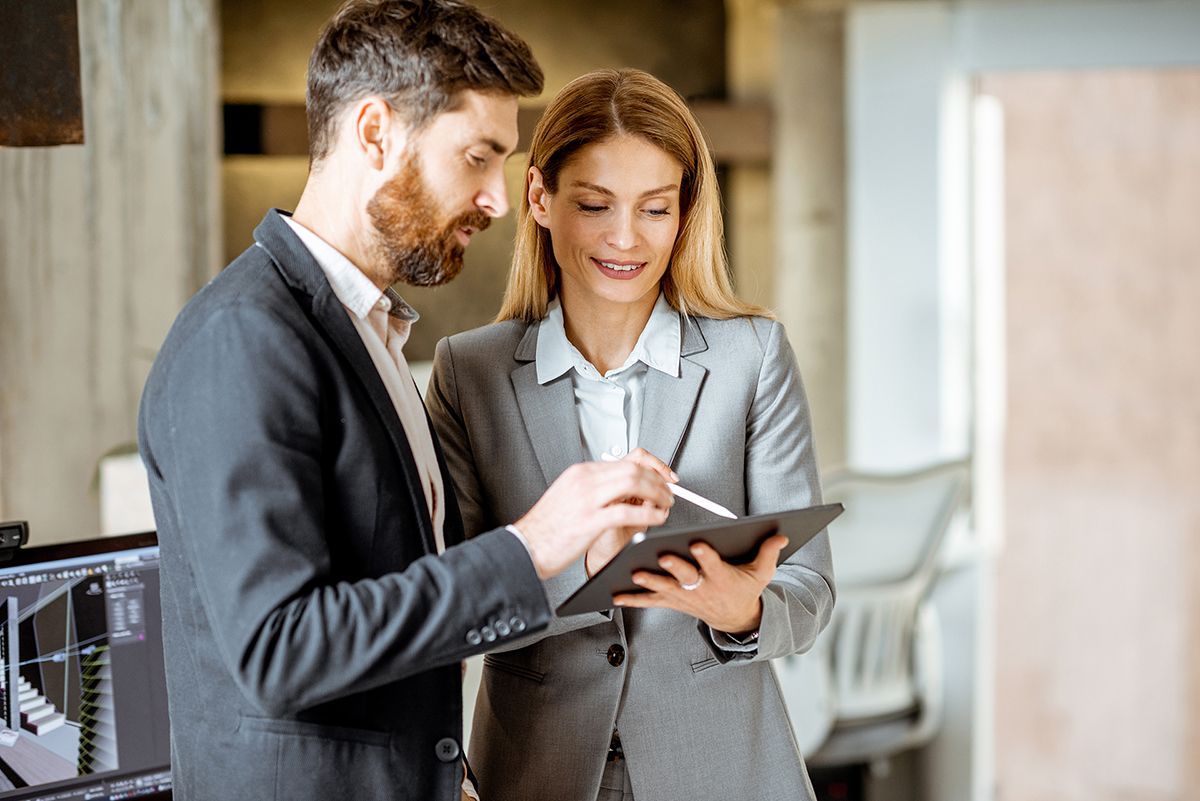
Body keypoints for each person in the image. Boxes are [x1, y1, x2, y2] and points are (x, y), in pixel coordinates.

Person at [136, 6, 674, 801]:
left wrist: (567, 564)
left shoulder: (370, 331)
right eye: (478, 158)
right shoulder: (244, 336)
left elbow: (395, 593)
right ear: (376, 132)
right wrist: (532, 545)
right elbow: (281, 650)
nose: (498, 199)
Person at [426, 68, 837, 801]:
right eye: (594, 205)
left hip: (723, 772)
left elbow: (808, 591)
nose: (626, 238)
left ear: (684, 213)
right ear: (540, 199)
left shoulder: (752, 357)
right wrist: (578, 560)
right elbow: (451, 610)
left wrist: (738, 609)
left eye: (654, 208)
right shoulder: (469, 373)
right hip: (536, 773)